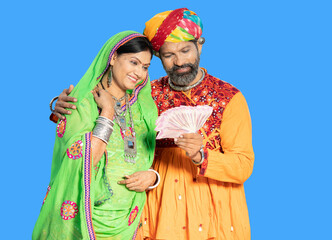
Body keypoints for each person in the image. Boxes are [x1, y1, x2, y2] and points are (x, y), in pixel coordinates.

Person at [52, 8, 255, 240]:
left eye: (186, 50)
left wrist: (201, 156)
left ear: (199, 45)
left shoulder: (228, 97)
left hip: (211, 213)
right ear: (158, 57)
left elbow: (243, 165)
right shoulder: (148, 95)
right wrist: (61, 105)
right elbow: (104, 105)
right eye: (169, 55)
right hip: (159, 212)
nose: (179, 62)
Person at [34, 31, 159, 240]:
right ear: (113, 58)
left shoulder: (143, 109)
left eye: (145, 67)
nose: (139, 73)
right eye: (133, 62)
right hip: (85, 221)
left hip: (128, 225)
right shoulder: (82, 103)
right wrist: (107, 114)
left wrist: (152, 176)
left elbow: (155, 156)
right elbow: (84, 160)